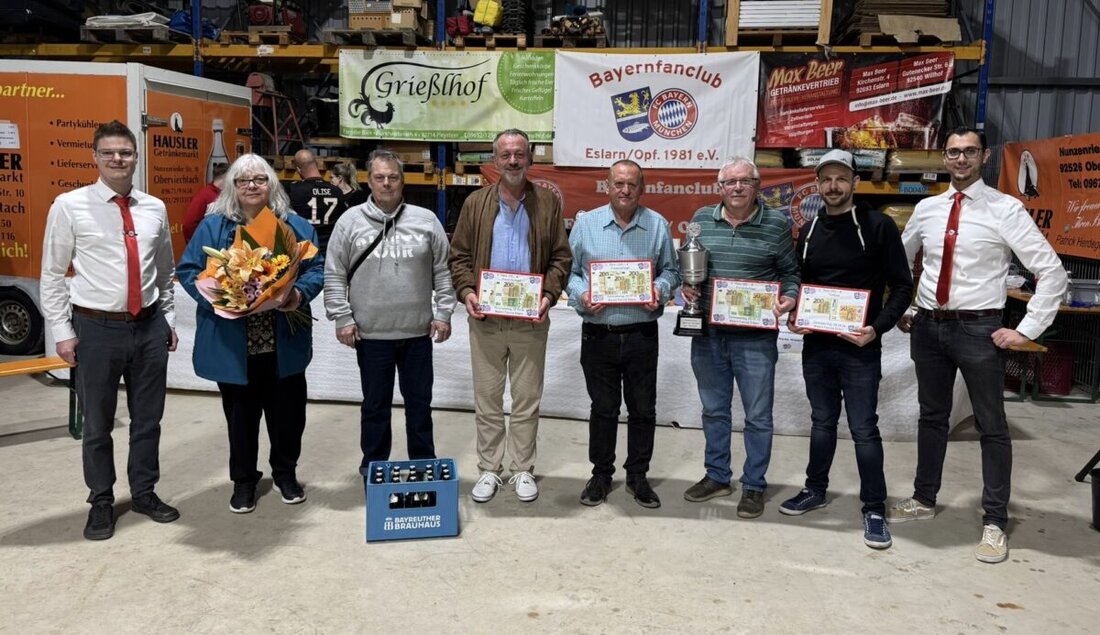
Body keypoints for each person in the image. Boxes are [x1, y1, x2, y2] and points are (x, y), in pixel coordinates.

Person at [891, 127, 1068, 563]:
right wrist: (903, 307)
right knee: (932, 417)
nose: (961, 159)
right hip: (929, 328)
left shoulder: (1006, 210)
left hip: (977, 329)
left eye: (969, 152)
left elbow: (1052, 272)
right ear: (945, 158)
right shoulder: (928, 208)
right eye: (953, 152)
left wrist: (1026, 330)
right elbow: (897, 261)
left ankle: (994, 522)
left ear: (984, 156)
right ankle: (924, 499)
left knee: (992, 425)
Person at [39, 119, 180, 540]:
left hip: (149, 325)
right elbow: (51, 274)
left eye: (126, 152)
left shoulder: (154, 207)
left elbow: (165, 269)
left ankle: (144, 492)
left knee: (148, 421)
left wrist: (167, 320)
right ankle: (101, 500)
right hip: (96, 329)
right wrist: (63, 331)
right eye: (109, 153)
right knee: (98, 424)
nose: (118, 159)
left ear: (136, 156)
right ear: (95, 157)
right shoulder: (70, 205)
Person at [779, 149, 913, 549]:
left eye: (841, 179)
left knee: (863, 428)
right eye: (826, 180)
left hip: (859, 348)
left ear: (854, 182)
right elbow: (803, 283)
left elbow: (902, 287)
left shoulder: (878, 226)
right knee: (821, 422)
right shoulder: (811, 227)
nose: (833, 186)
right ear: (818, 185)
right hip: (817, 346)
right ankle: (815, 490)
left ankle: (874, 507)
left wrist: (876, 329)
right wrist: (796, 315)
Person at [177, 154, 325, 514]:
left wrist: (297, 293)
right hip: (234, 345)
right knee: (241, 418)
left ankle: (286, 474)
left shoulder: (295, 226)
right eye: (243, 181)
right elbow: (189, 269)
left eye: (260, 180)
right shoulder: (213, 228)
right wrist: (220, 298)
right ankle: (244, 482)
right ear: (232, 186)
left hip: (283, 342)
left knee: (288, 416)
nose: (252, 187)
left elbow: (316, 267)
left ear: (272, 185)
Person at [448, 128, 572, 503]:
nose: (513, 161)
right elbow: (459, 257)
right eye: (506, 155)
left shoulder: (548, 204)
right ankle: (488, 469)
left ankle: (521, 469)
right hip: (485, 319)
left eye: (519, 154)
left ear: (530, 158)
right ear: (495, 160)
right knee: (486, 398)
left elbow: (561, 259)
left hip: (530, 320)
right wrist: (467, 292)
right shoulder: (476, 203)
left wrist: (549, 296)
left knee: (526, 399)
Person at [682, 157, 800, 518]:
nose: (736, 188)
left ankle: (753, 485)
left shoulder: (778, 223)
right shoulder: (702, 220)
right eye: (729, 182)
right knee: (714, 410)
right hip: (709, 334)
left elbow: (791, 273)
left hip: (755, 339)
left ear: (757, 185)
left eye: (744, 181)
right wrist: (687, 289)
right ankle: (718, 475)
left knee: (758, 416)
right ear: (720, 187)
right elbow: (691, 269)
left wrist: (790, 297)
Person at [324, 149, 456, 471]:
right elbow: (334, 272)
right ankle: (373, 467)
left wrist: (443, 313)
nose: (386, 184)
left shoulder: (426, 221)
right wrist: (342, 317)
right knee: (375, 407)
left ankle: (424, 466)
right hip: (370, 334)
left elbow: (443, 269)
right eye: (379, 177)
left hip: (417, 333)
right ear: (368, 181)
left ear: (402, 181)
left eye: (393, 177)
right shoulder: (349, 222)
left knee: (419, 407)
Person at [565, 160, 680, 508]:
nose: (625, 190)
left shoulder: (657, 225)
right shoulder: (585, 225)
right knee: (603, 408)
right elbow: (570, 274)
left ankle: (637, 475)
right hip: (598, 334)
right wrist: (581, 295)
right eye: (618, 183)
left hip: (642, 334)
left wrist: (659, 289)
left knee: (643, 408)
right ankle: (601, 474)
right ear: (608, 186)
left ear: (641, 188)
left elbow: (671, 271)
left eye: (632, 184)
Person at [288, 148, 347, 252]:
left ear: (298, 170)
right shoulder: (336, 191)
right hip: (330, 249)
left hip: (305, 251)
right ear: (317, 164)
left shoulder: (294, 190)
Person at [183, 162, 228, 242]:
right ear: (226, 177)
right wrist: (198, 244)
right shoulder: (204, 196)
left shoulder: (224, 195)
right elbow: (189, 225)